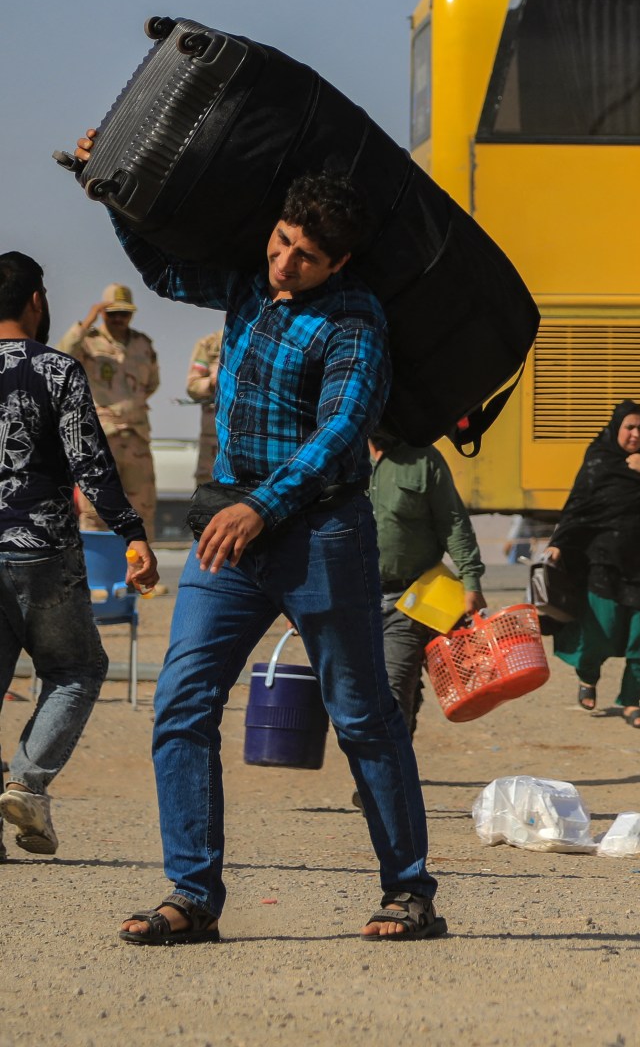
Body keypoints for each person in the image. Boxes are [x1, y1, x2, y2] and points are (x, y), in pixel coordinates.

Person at [77, 146, 443, 944]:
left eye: (305, 257)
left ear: (339, 260)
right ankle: (192, 895)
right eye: (280, 242)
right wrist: (104, 189)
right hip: (228, 533)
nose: (284, 263)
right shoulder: (250, 282)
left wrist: (264, 506)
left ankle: (409, 891)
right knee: (182, 704)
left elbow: (342, 428)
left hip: (321, 534)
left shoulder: (355, 319)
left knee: (362, 715)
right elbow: (168, 273)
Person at [0, 252, 158, 860]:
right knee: (75, 670)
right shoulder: (56, 369)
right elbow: (90, 462)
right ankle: (28, 783)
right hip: (40, 548)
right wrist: (131, 533)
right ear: (36, 301)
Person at [548, 401, 640, 727]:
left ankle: (631, 702)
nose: (636, 434)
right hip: (603, 563)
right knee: (601, 632)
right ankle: (588, 676)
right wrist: (558, 544)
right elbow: (578, 507)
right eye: (629, 427)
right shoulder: (597, 462)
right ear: (616, 429)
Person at [369, 431, 486, 734]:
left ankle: (389, 778)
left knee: (391, 695)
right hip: (352, 601)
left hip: (409, 601)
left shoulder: (424, 460)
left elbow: (453, 522)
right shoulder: (342, 456)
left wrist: (471, 580)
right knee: (361, 695)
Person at [55, 283, 160, 536]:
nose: (118, 319)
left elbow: (152, 383)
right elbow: (61, 355)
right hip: (100, 435)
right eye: (112, 313)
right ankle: (98, 573)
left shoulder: (142, 344)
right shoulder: (88, 342)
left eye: (124, 313)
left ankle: (140, 571)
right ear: (102, 313)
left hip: (136, 437)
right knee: (95, 508)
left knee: (143, 508)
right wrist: (86, 321)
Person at [184, 330, 222, 488]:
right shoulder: (209, 344)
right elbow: (193, 386)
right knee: (208, 484)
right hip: (215, 432)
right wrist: (212, 383)